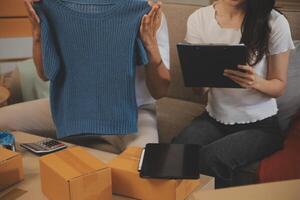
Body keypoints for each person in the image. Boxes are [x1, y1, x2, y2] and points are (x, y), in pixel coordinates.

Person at [0, 0, 170, 153]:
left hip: (131, 114)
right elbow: (44, 74)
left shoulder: (147, 12)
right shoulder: (57, 8)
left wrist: (150, 45)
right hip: (72, 106)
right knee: (3, 120)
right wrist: (38, 34)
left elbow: (160, 91)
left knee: (143, 164)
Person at [173, 0, 294, 188]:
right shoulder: (199, 18)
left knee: (211, 158)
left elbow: (279, 86)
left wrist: (255, 82)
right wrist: (199, 79)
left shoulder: (274, 22)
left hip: (261, 126)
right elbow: (198, 90)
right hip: (214, 118)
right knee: (179, 151)